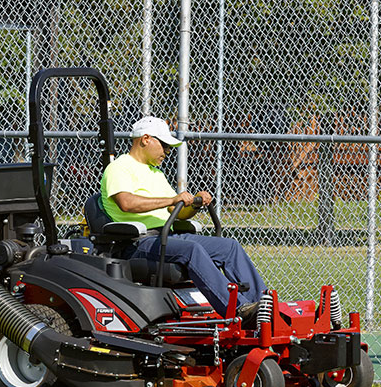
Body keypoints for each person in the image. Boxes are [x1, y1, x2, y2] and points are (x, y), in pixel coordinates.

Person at [100, 116, 268, 313]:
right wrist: (172, 200)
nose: (167, 152)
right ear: (145, 139)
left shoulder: (155, 174)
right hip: (137, 243)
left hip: (166, 237)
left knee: (229, 247)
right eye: (164, 145)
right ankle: (238, 309)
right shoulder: (119, 168)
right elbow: (126, 203)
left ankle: (263, 306)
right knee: (192, 249)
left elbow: (177, 213)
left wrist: (195, 203)